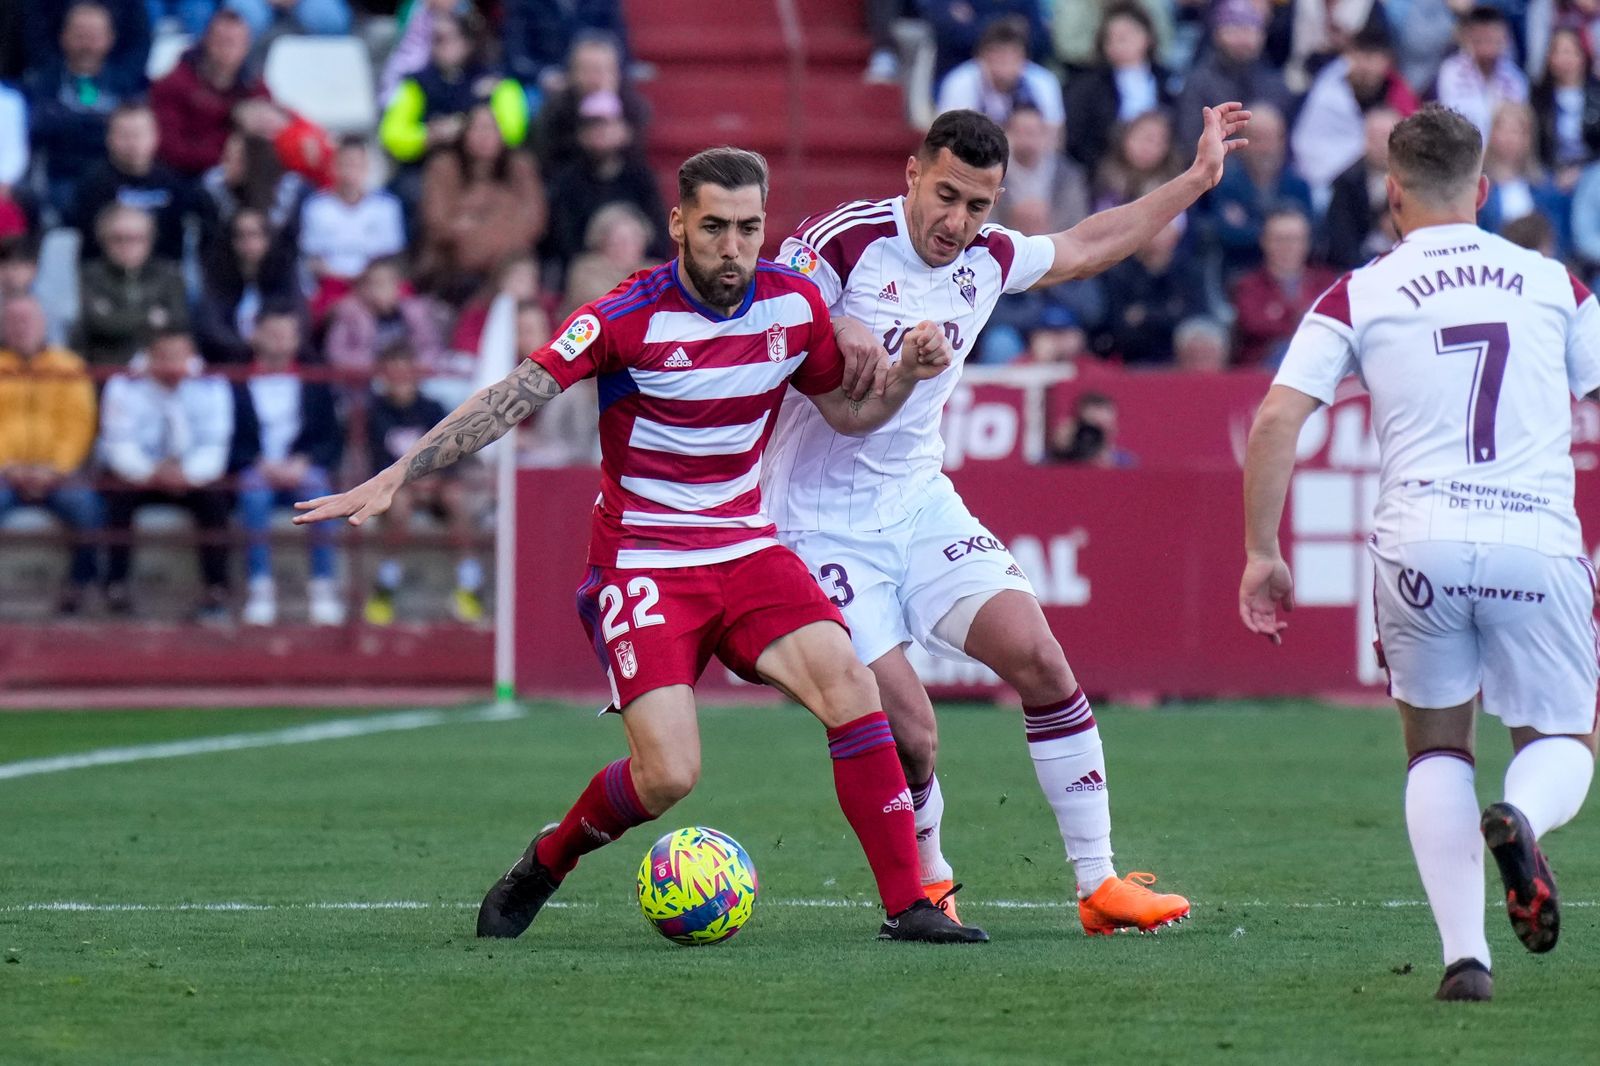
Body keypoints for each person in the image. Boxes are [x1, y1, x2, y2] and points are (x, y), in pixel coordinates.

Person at [293, 146, 985, 946]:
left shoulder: (794, 306)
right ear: (679, 223)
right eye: (717, 227)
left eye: (751, 228)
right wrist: (401, 471)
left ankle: (909, 905)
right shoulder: (628, 314)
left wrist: (902, 379)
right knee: (669, 775)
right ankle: (547, 861)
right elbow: (514, 393)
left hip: (747, 549)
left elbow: (849, 416)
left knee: (851, 688)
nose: (734, 247)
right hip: (645, 563)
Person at [766, 104, 1247, 930]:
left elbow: (1092, 242)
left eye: (978, 205)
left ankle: (1098, 886)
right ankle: (928, 881)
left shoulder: (988, 258)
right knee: (911, 730)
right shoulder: (845, 240)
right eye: (945, 195)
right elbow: (785, 294)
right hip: (816, 524)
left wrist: (1195, 181)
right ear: (913, 175)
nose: (957, 222)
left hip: (917, 502)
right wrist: (836, 319)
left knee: (1043, 662)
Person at [1239, 104, 1600, 1003]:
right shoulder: (1556, 284)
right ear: (1480, 190)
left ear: (1391, 194)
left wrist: (1260, 552)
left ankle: (1465, 959)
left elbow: (1278, 418)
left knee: (1435, 749)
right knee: (1563, 739)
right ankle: (1522, 814)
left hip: (1419, 546)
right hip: (1534, 538)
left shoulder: (1361, 290)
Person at [99, 330, 235, 622]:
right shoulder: (124, 386)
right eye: (164, 357)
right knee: (116, 495)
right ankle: (115, 587)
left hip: (190, 475)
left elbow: (215, 446)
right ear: (150, 358)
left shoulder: (212, 386)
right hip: (140, 475)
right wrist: (152, 473)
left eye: (179, 357)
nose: (173, 366)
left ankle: (216, 590)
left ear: (191, 357)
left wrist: (185, 474)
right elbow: (119, 445)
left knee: (215, 501)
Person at [360, 342, 485, 625]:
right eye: (393, 374)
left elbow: (450, 453)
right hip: (398, 488)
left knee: (455, 497)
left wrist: (435, 480)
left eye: (406, 373)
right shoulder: (375, 413)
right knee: (400, 505)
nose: (400, 380)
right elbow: (377, 462)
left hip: (436, 483)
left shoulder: (433, 409)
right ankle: (386, 586)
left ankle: (470, 583)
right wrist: (409, 482)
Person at [233, 307, 343, 626]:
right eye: (273, 333)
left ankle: (323, 587)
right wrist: (258, 462)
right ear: (255, 336)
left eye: (287, 334)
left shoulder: (314, 379)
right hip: (256, 466)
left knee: (319, 491)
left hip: (300, 465)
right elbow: (232, 436)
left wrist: (303, 460)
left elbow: (329, 434)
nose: (281, 341)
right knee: (253, 493)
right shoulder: (238, 380)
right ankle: (260, 588)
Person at [0, 296, 101, 613]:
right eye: (14, 322)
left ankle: (79, 587)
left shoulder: (69, 366)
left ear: (43, 324)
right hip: (5, 473)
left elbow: (80, 425)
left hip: (58, 473)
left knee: (88, 509)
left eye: (27, 320)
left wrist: (54, 469)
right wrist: (7, 467)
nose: (21, 328)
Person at [25, 1, 143, 218]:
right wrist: (102, 123)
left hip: (114, 178)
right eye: (80, 35)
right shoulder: (42, 83)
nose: (87, 44)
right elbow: (39, 128)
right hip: (62, 177)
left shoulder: (126, 84)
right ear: (64, 36)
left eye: (95, 36)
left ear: (110, 39)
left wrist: (69, 121)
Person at [417, 103, 546, 301]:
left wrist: (475, 220)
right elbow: (439, 224)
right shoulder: (443, 167)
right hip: (458, 271)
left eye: (490, 128)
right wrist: (500, 219)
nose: (484, 136)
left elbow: (533, 221)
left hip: (513, 265)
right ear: (464, 134)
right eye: (478, 128)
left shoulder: (520, 166)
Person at [540, 90, 670, 276]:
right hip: (590, 269)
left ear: (623, 130)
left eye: (606, 125)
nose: (599, 133)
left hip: (638, 265)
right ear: (580, 134)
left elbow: (659, 234)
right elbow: (563, 241)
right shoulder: (568, 181)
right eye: (591, 127)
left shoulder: (641, 177)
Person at [1289, 21, 1419, 200]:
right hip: (1326, 184)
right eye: (1359, 55)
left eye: (1372, 57)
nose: (1365, 65)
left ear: (1386, 61)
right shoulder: (1328, 90)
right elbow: (1311, 145)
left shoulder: (1399, 96)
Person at [149, 10, 272, 181]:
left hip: (244, 180)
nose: (226, 49)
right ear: (206, 41)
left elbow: (273, 133)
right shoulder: (175, 84)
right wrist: (226, 154)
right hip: (185, 177)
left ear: (246, 46)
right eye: (221, 41)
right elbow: (169, 147)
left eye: (234, 42)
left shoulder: (255, 86)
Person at [298, 137, 406, 314]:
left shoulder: (386, 206)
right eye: (345, 164)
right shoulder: (316, 207)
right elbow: (313, 260)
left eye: (357, 165)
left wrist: (371, 281)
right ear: (334, 167)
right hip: (334, 284)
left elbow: (391, 256)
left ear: (367, 168)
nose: (350, 172)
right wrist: (349, 280)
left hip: (379, 282)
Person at [1063, 2, 1175, 173]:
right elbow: (1077, 138)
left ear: (1147, 37)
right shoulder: (1087, 86)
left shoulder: (1167, 81)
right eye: (1111, 38)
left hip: (1161, 169)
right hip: (1104, 171)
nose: (1118, 44)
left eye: (1125, 36)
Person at [72, 102, 189, 261]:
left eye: (139, 134)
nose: (133, 143)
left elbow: (178, 241)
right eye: (125, 135)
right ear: (109, 138)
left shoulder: (172, 183)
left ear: (155, 136)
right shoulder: (93, 185)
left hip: (162, 273)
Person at [77, 203, 189, 365]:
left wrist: (119, 316)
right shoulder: (90, 276)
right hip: (107, 366)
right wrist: (150, 317)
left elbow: (178, 321)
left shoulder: (168, 275)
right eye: (117, 239)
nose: (126, 246)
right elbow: (99, 323)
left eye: (136, 239)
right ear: (102, 240)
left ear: (150, 240)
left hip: (160, 367)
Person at [193, 205, 303, 365]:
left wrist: (273, 341)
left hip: (279, 359)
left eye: (255, 235)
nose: (248, 243)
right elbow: (211, 325)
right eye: (240, 236)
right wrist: (252, 344)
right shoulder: (217, 276)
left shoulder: (284, 271)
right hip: (228, 359)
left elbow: (297, 317)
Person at [1230, 207, 1338, 367]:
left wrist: (1283, 317)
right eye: (1279, 239)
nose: (1287, 246)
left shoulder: (1326, 282)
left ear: (1306, 243)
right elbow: (1254, 324)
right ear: (1264, 242)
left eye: (1294, 239)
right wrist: (1305, 322)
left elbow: (1337, 325)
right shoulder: (1248, 284)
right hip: (1263, 370)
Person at [935, 15, 1063, 136]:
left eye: (1012, 54)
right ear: (981, 56)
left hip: (1025, 156)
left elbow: (1054, 135)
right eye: (998, 54)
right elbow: (946, 137)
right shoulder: (959, 82)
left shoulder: (1043, 82)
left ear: (1025, 57)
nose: (1005, 62)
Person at [324, 256, 446, 377]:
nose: (382, 289)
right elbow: (336, 355)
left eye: (388, 282)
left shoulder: (414, 312)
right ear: (364, 287)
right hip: (367, 381)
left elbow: (432, 347)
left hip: (412, 379)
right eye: (376, 283)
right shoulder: (350, 314)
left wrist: (412, 367)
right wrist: (379, 367)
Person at [1320, 105, 1400, 270]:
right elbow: (1340, 238)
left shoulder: (1417, 181)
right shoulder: (1345, 182)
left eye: (1386, 137)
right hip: (1359, 266)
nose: (1381, 145)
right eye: (1374, 138)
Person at [1434, 6, 1528, 139]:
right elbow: (1448, 123)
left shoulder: (1516, 79)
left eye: (1492, 37)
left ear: (1504, 37)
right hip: (1461, 151)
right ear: (1469, 37)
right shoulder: (1451, 72)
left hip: (1501, 156)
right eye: (1481, 37)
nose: (1487, 43)